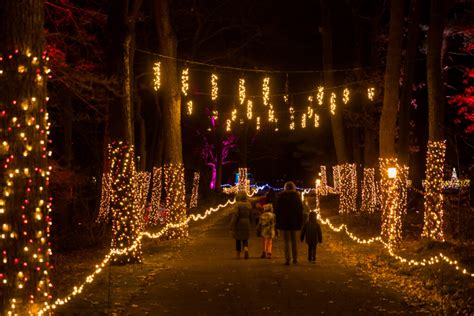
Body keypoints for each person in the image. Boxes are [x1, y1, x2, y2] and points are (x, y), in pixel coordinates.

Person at [275, 181, 304, 265]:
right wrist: (300, 221)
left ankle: (287, 258)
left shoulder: (281, 197)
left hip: (284, 221)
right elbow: (300, 210)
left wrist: (278, 221)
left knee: (286, 241)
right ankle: (295, 258)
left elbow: (278, 210)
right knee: (294, 240)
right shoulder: (297, 197)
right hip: (294, 221)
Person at [230, 191, 253, 259]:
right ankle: (246, 249)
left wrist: (232, 224)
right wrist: (250, 222)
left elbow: (235, 215)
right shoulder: (249, 204)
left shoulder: (237, 205)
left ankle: (238, 254)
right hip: (247, 222)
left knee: (238, 239)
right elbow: (251, 215)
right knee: (245, 239)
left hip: (239, 223)